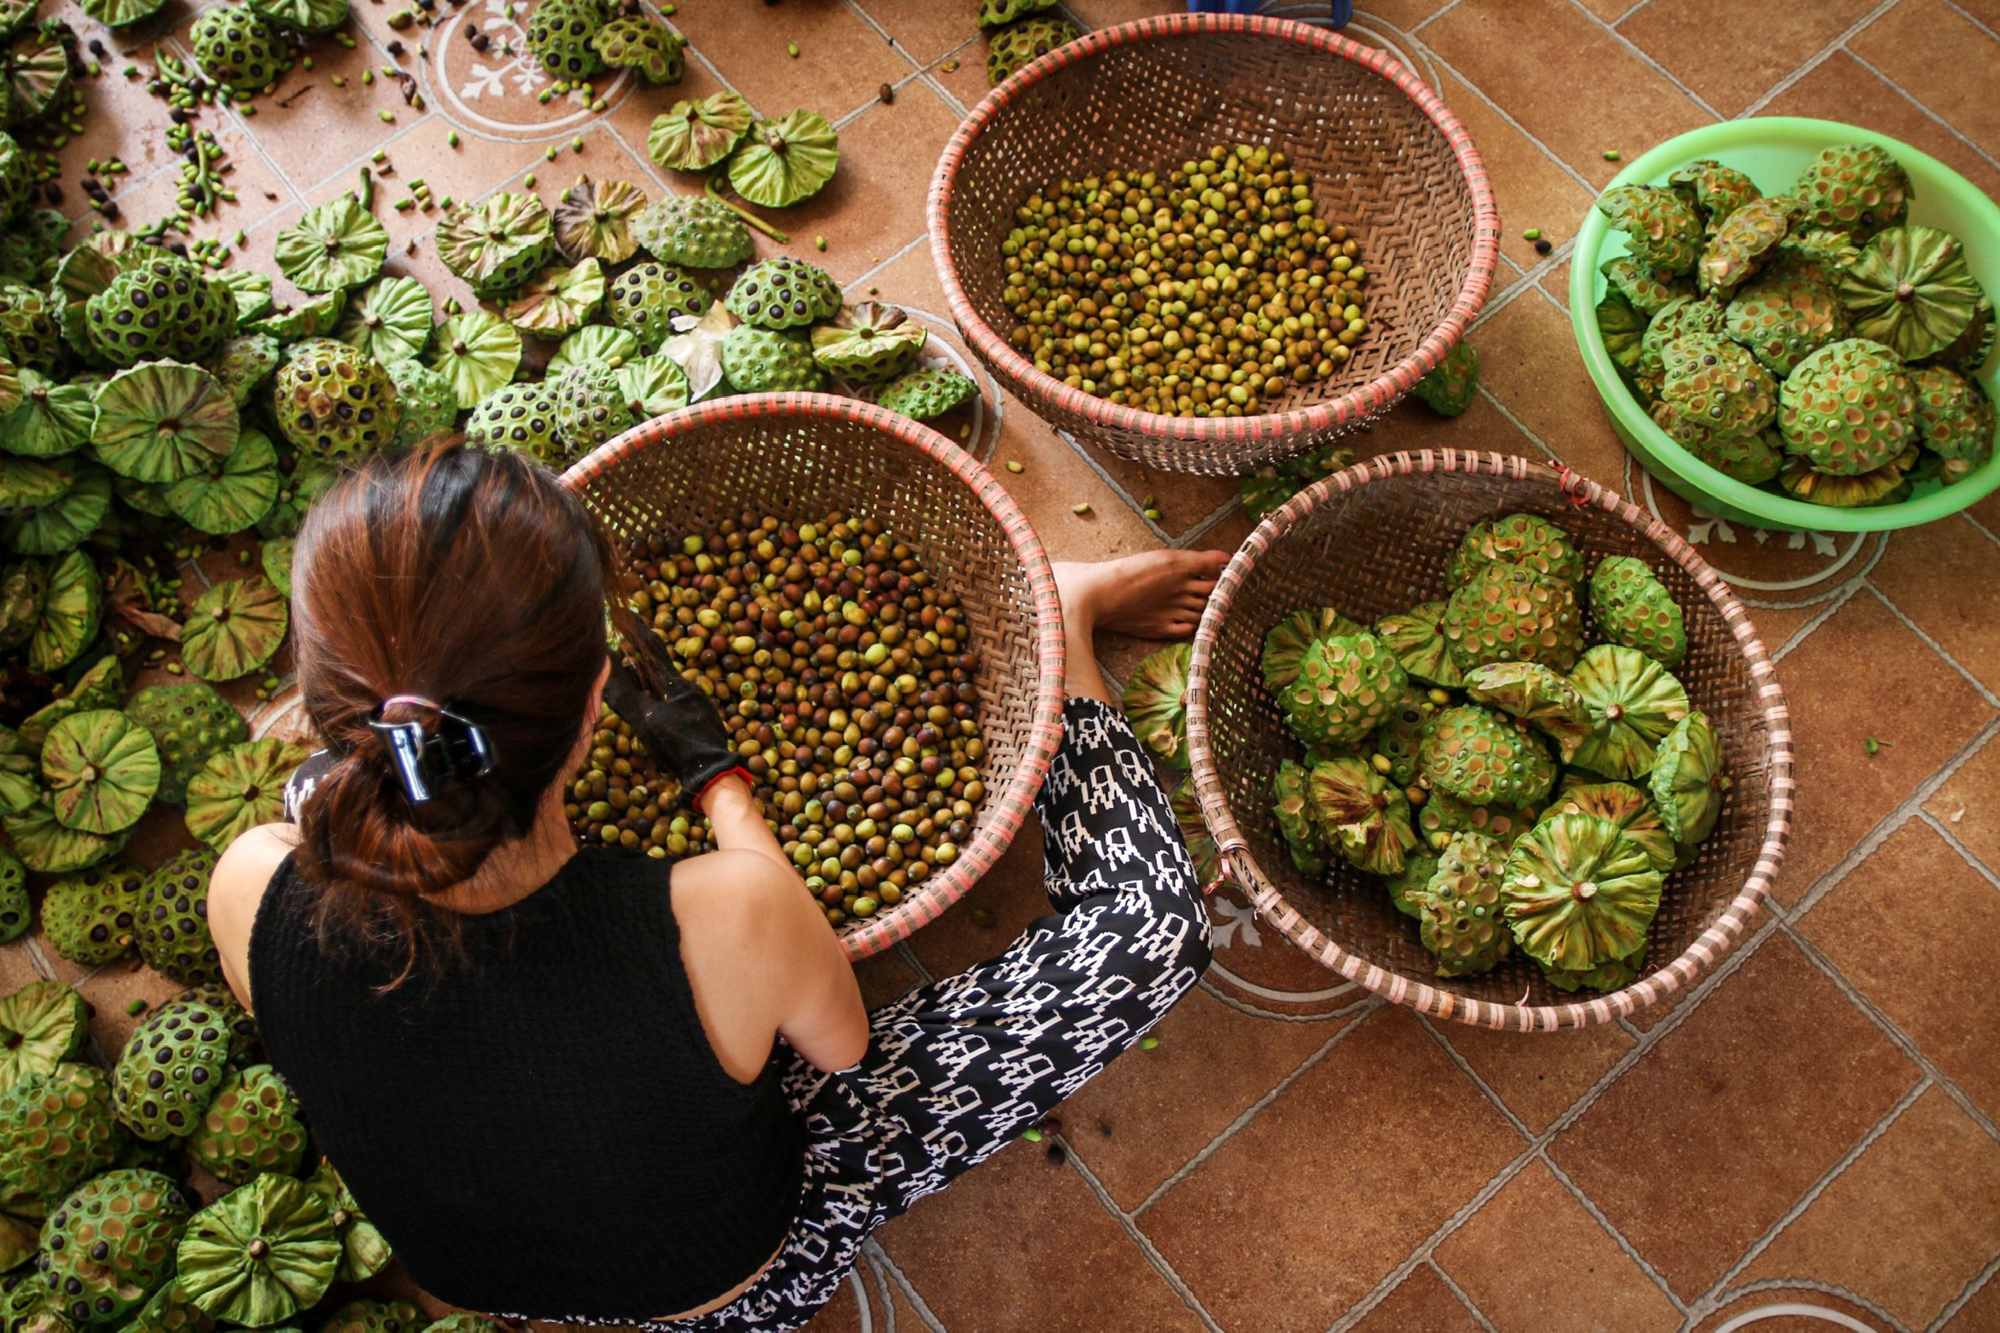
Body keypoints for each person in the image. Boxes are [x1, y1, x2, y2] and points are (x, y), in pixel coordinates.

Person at [206, 440, 1226, 1330]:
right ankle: (1069, 624)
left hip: (487, 1278)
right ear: (599, 699)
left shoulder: (247, 884)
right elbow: (840, 1047)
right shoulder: (719, 916)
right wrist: (714, 776)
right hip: (740, 1284)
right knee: (1152, 934)